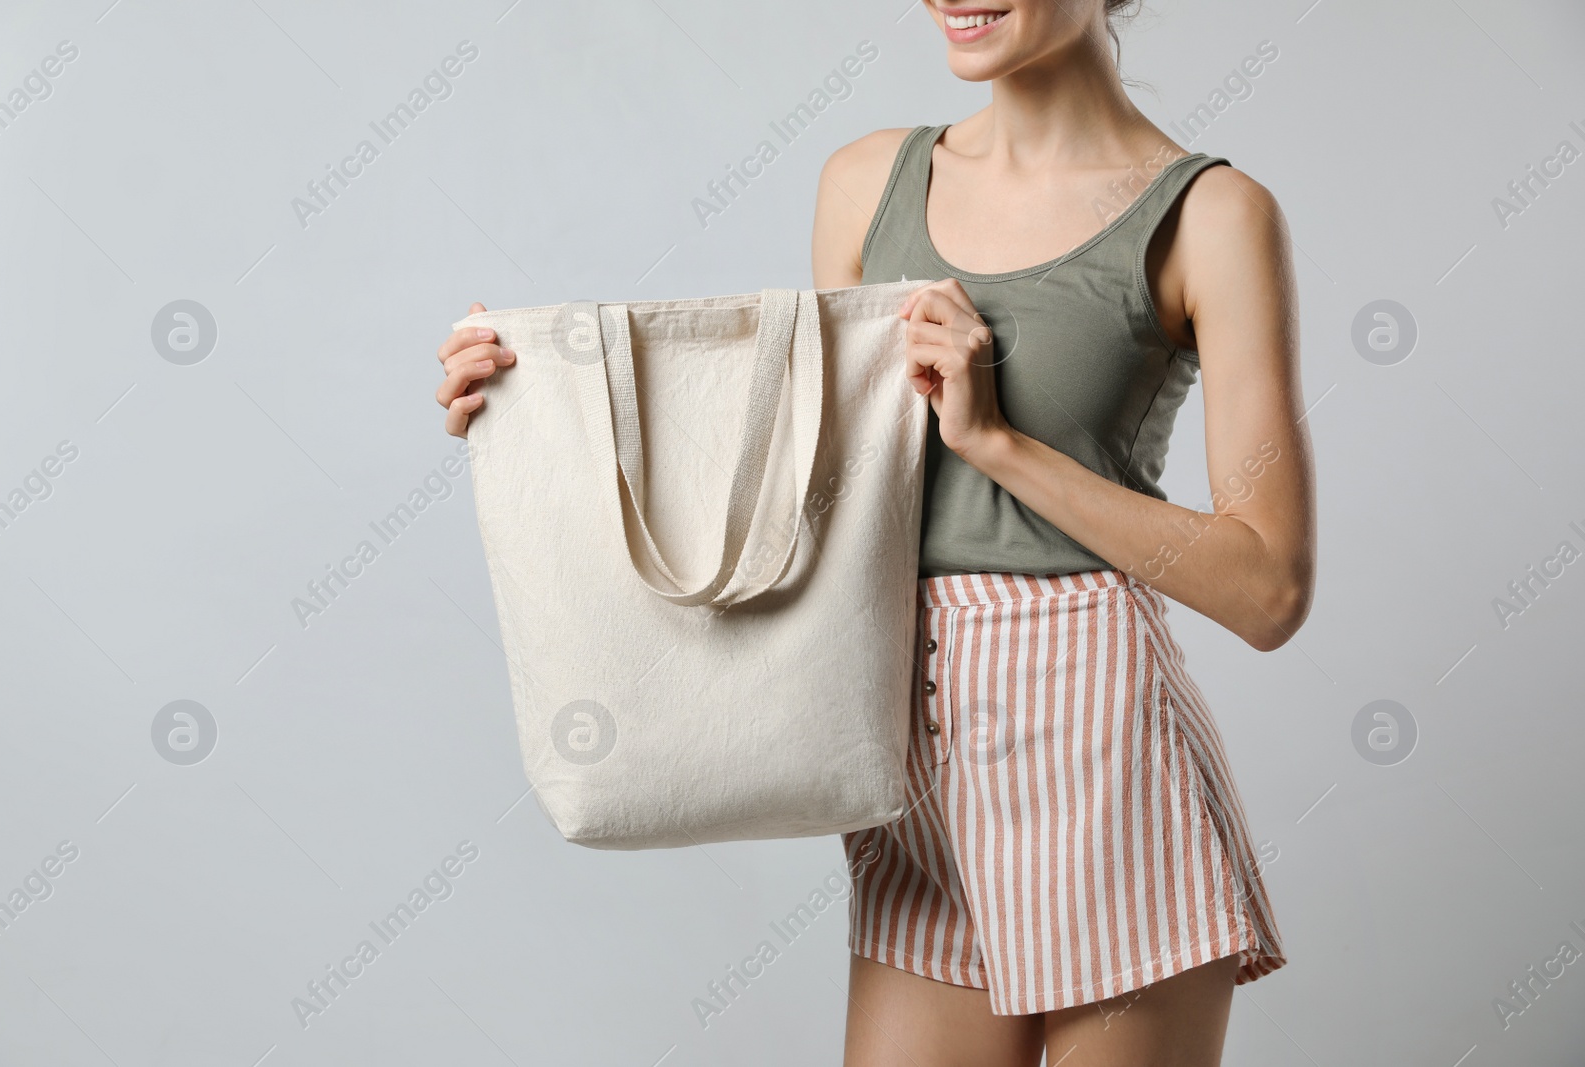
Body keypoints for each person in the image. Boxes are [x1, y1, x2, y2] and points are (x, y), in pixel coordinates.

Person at [434, 3, 1314, 1063]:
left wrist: (995, 440)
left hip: (1105, 753)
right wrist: (538, 417)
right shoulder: (865, 182)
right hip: (909, 758)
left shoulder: (1212, 215)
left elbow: (1267, 588)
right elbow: (815, 492)